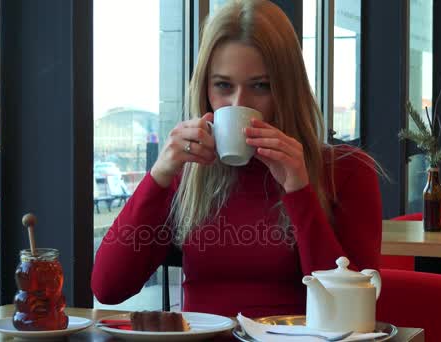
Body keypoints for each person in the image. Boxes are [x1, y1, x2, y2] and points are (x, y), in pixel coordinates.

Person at [91, 0, 382, 318]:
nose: (238, 102)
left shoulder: (346, 171)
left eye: (260, 86)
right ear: (205, 89)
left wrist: (299, 190)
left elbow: (350, 315)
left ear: (288, 89)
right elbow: (108, 287)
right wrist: (159, 174)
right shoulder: (190, 173)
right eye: (223, 86)